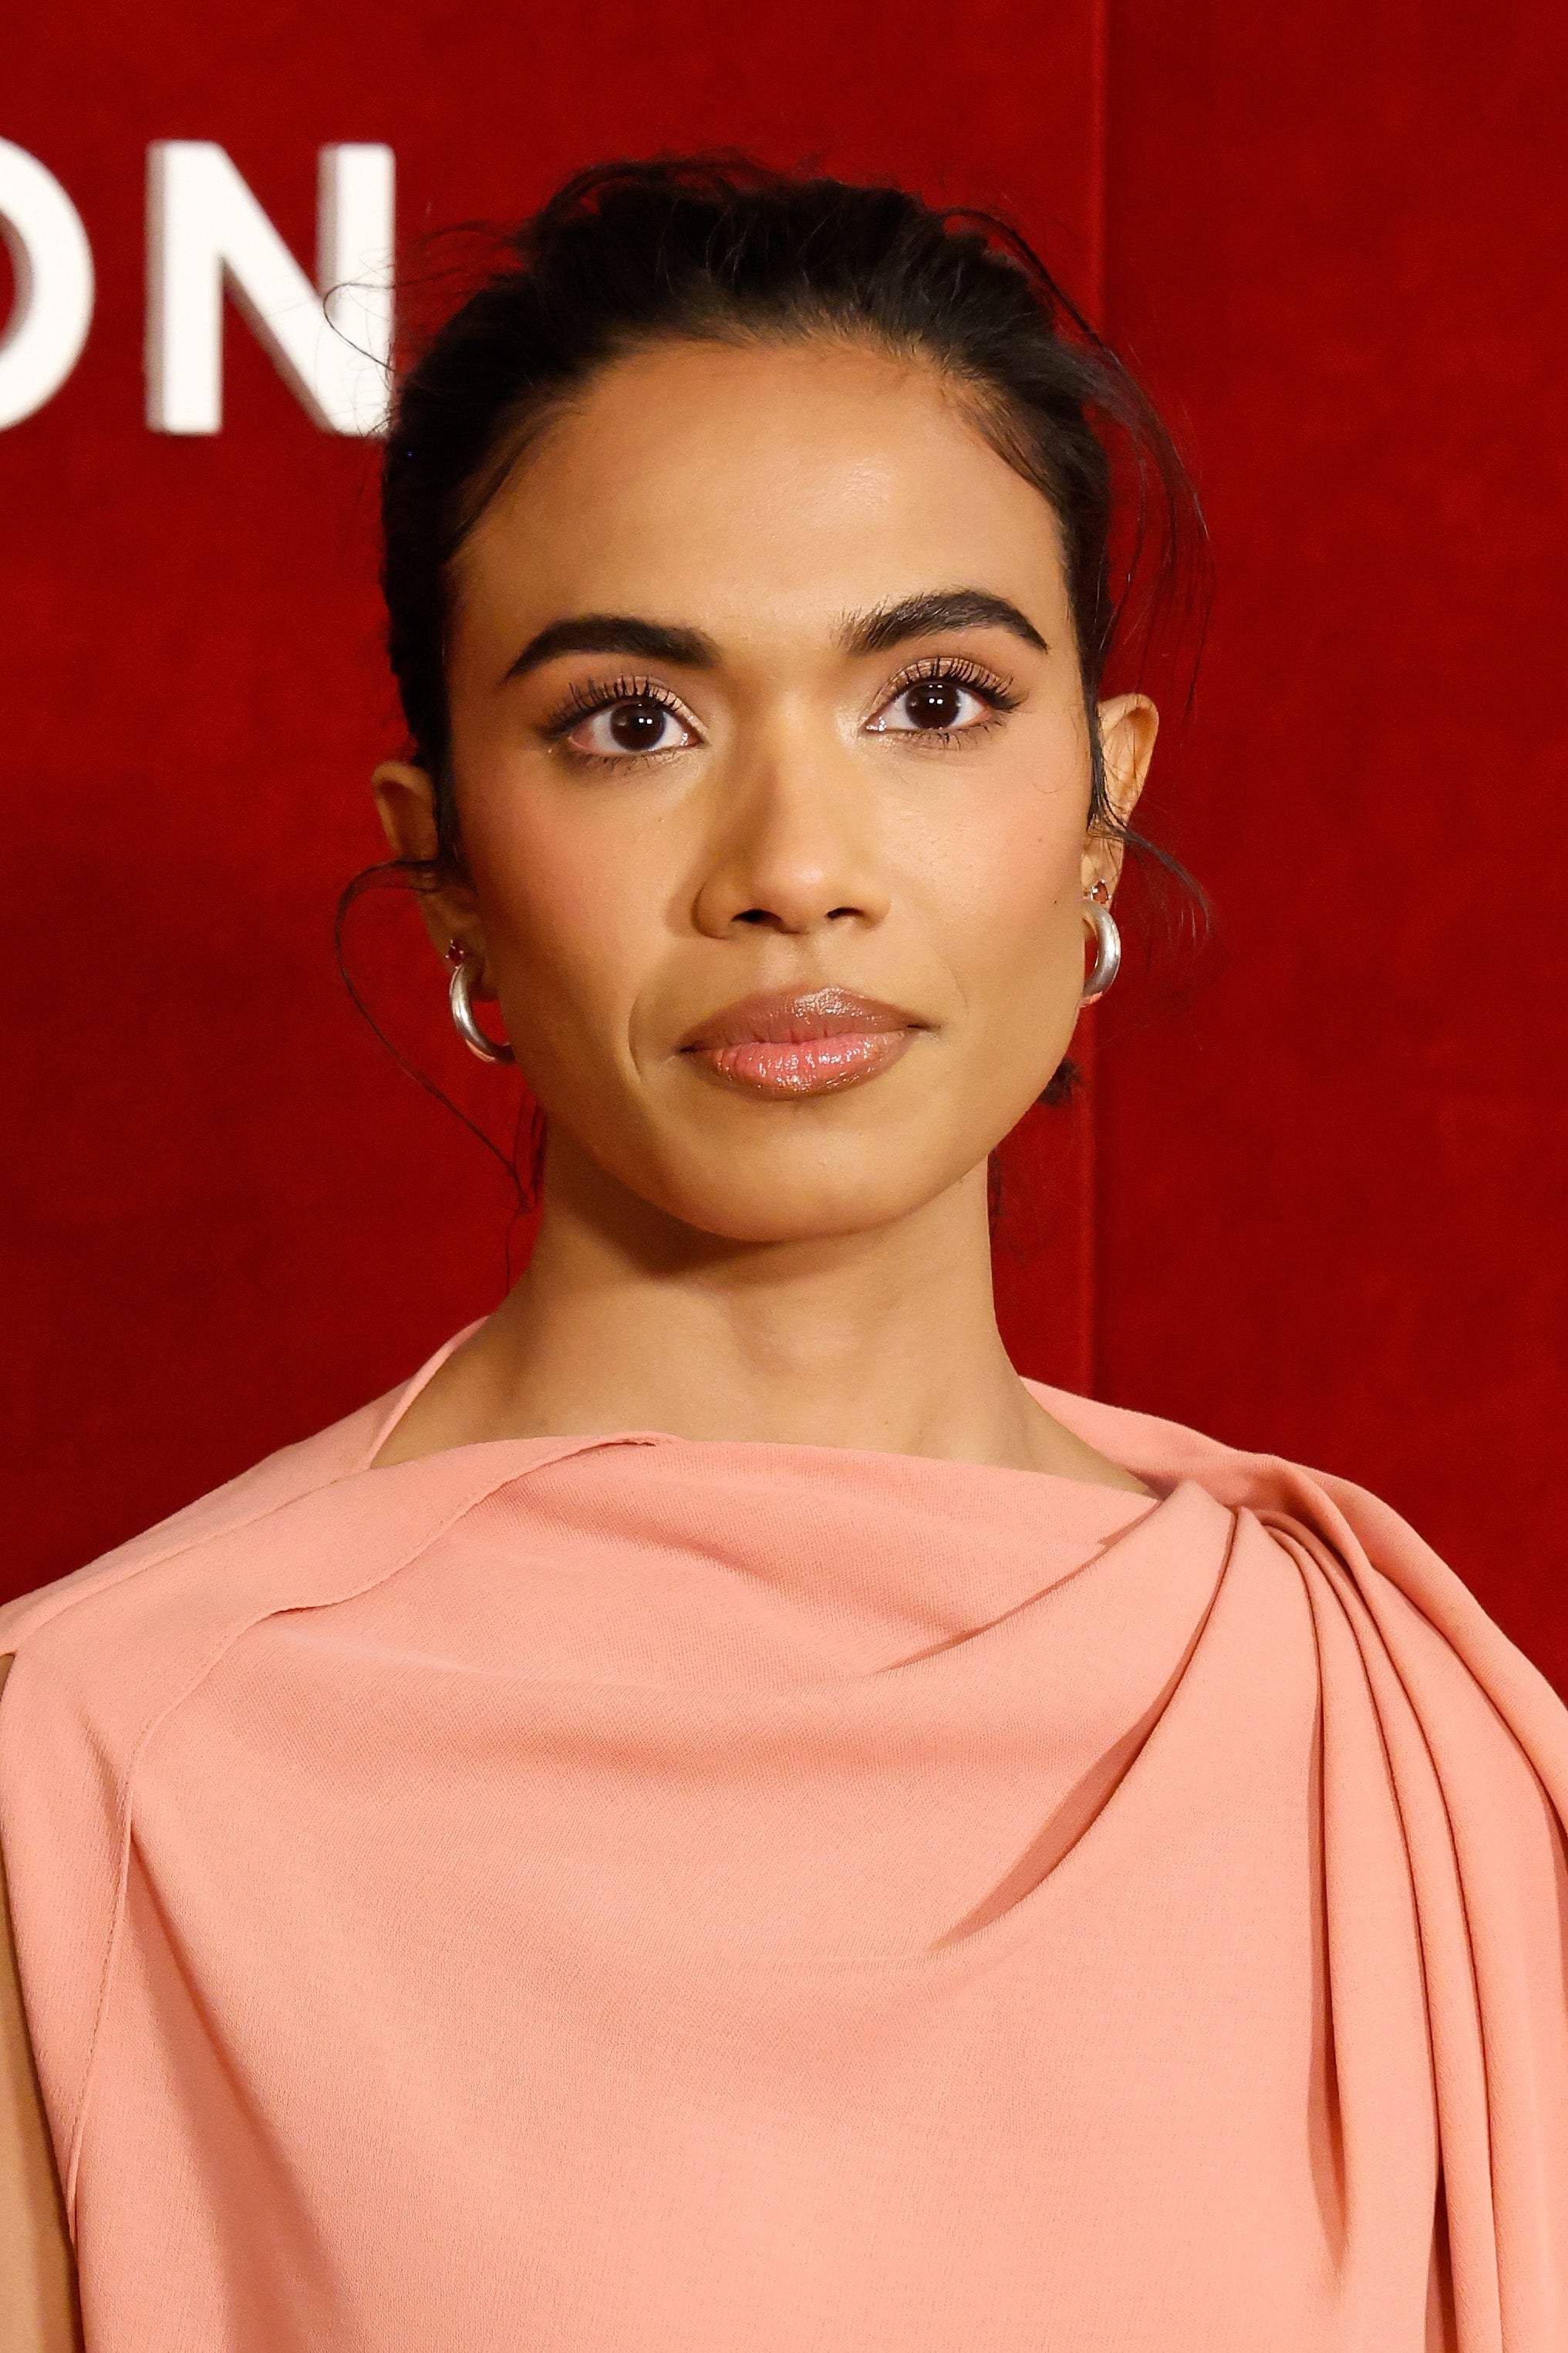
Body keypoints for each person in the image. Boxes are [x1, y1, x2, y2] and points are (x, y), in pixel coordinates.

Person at [1, 156, 1563, 2353]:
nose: (795, 867)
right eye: (630, 722)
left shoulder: (1400, 1734)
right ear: (441, 857)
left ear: (1100, 798)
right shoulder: (86, 1770)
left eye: (930, 699)